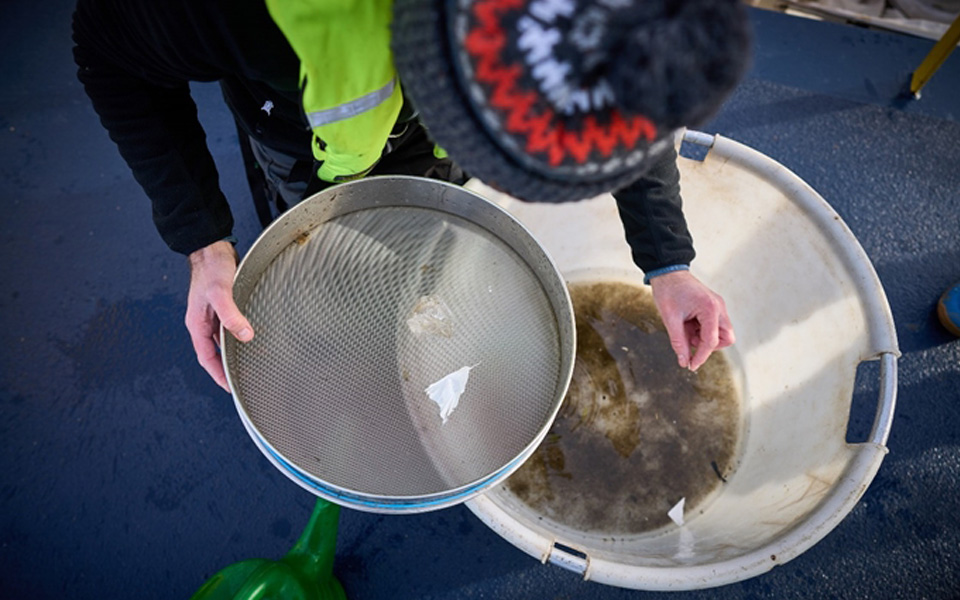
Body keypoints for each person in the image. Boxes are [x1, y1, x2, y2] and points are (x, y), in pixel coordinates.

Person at [73, 0, 751, 392]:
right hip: (301, 117)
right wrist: (204, 242)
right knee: (306, 229)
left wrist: (667, 260)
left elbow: (631, 104)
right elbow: (108, 56)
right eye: (501, 169)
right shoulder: (233, 13)